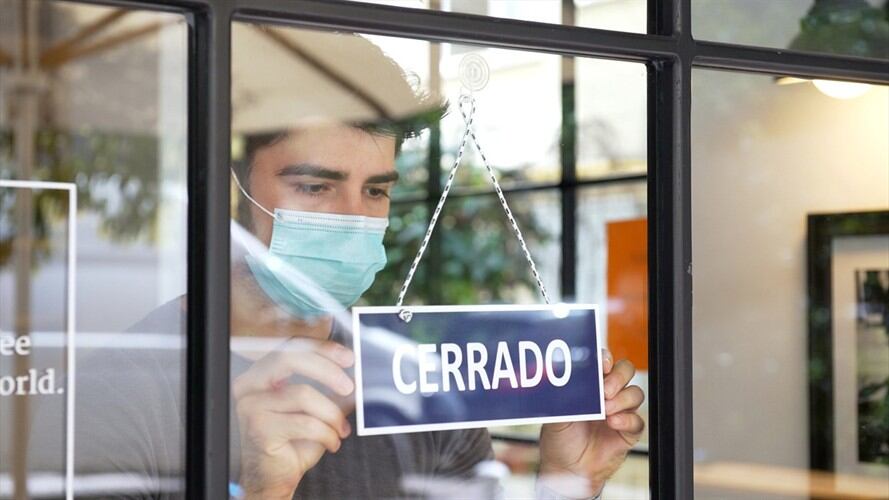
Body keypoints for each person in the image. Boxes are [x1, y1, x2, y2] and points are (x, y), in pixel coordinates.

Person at [28, 28, 644, 500]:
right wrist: (259, 489)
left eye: (375, 191)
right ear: (224, 191)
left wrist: (563, 481)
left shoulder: (415, 380)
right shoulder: (114, 396)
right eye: (316, 187)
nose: (354, 217)